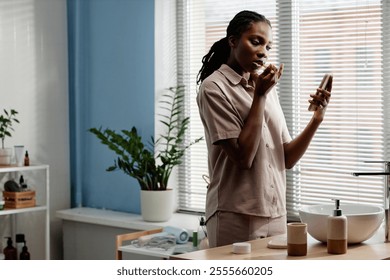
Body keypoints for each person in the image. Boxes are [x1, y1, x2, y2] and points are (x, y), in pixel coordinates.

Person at [196, 10, 332, 248]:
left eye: (268, 46)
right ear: (233, 41)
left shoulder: (266, 88)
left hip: (276, 214)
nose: (263, 52)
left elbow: (286, 158)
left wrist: (317, 120)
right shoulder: (213, 88)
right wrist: (259, 95)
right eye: (256, 42)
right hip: (234, 215)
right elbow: (243, 157)